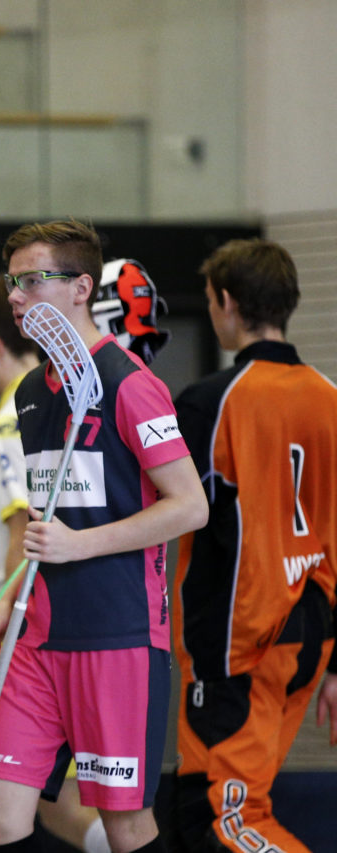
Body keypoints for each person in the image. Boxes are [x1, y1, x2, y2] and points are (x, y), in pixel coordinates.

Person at [0, 219, 207, 853]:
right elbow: (52, 518)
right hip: (39, 637)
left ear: (81, 287)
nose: (15, 295)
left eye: (31, 280)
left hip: (117, 636)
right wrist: (7, 601)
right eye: (11, 281)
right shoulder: (27, 393)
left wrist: (82, 546)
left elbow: (190, 506)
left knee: (125, 825)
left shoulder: (131, 385)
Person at [171, 238, 337, 852]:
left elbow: (165, 503)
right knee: (197, 806)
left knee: (230, 819)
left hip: (240, 639)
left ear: (225, 302)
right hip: (311, 632)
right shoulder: (329, 397)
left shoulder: (212, 402)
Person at [0, 274, 109, 853]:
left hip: (12, 629)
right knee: (29, 799)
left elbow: (22, 534)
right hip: (43, 625)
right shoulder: (39, 404)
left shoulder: (15, 416)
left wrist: (5, 616)